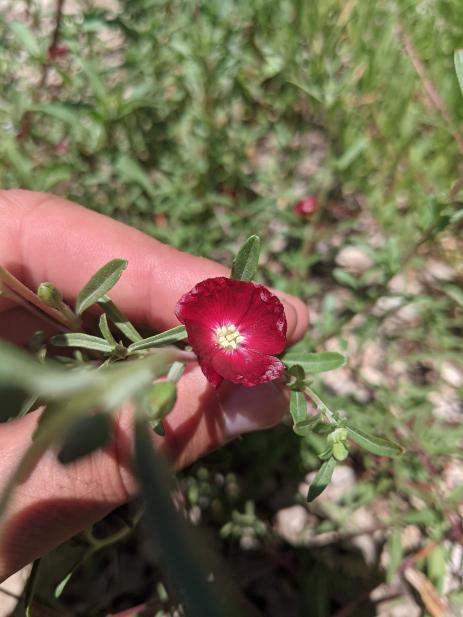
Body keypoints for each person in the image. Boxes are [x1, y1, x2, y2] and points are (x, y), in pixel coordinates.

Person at [0, 190, 309, 581]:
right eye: (227, 335)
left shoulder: (246, 348)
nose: (229, 337)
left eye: (232, 336)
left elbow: (261, 356)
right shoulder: (203, 327)